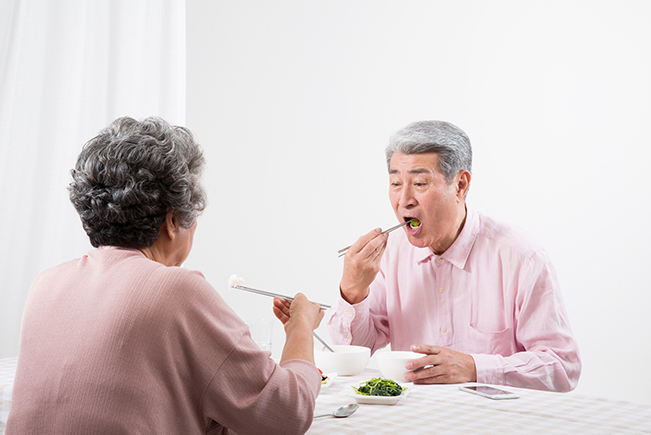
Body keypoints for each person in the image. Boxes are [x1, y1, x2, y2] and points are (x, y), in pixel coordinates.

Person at [7, 117, 324, 434]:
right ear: (172, 221)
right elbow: (287, 414)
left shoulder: (45, 284)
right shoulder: (176, 290)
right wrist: (301, 326)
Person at [328, 120, 581, 392]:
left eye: (420, 183)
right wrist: (353, 290)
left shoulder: (520, 257)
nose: (404, 200)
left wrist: (474, 368)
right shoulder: (390, 255)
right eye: (395, 183)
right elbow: (353, 353)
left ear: (460, 185)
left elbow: (561, 367)